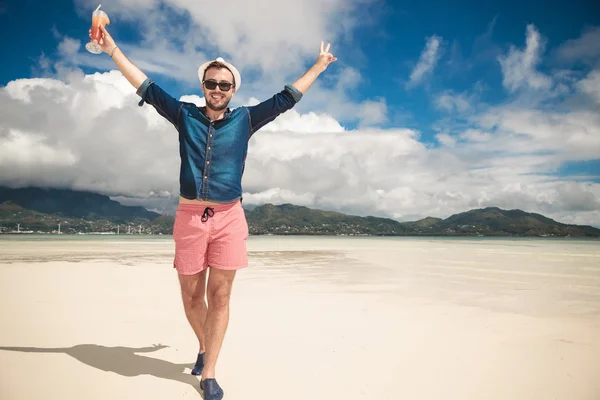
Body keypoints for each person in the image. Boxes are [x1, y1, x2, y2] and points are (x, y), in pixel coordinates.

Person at [91, 22, 337, 399]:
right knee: (192, 298)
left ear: (233, 89)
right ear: (203, 86)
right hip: (190, 218)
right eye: (211, 83)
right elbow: (146, 87)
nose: (217, 90)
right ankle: (205, 346)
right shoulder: (184, 115)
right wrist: (112, 51)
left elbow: (287, 98)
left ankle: (210, 372)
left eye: (224, 85)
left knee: (220, 297)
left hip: (229, 218)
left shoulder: (246, 119)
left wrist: (319, 66)